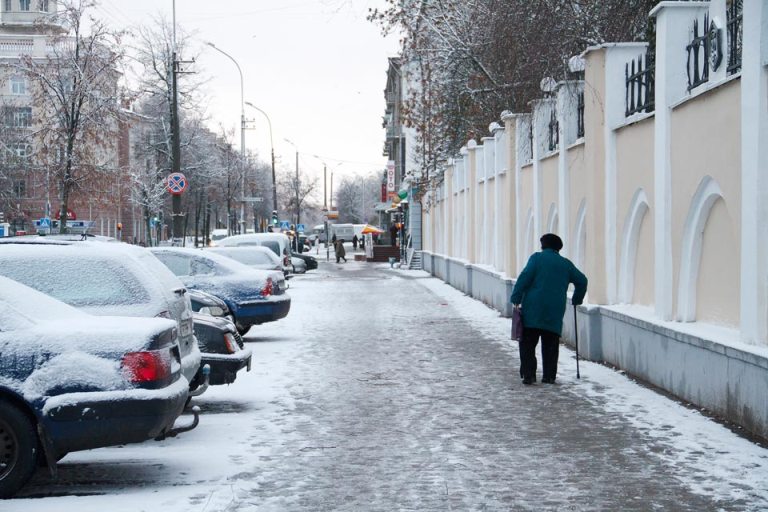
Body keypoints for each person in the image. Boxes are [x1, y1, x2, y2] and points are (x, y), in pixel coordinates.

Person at [510, 233, 587, 385]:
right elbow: (582, 280)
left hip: (533, 309)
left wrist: (516, 298)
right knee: (550, 343)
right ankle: (549, 376)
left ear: (543, 245)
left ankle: (529, 375)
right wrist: (577, 299)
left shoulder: (536, 258)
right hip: (554, 311)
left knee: (527, 343)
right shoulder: (565, 264)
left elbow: (524, 277)